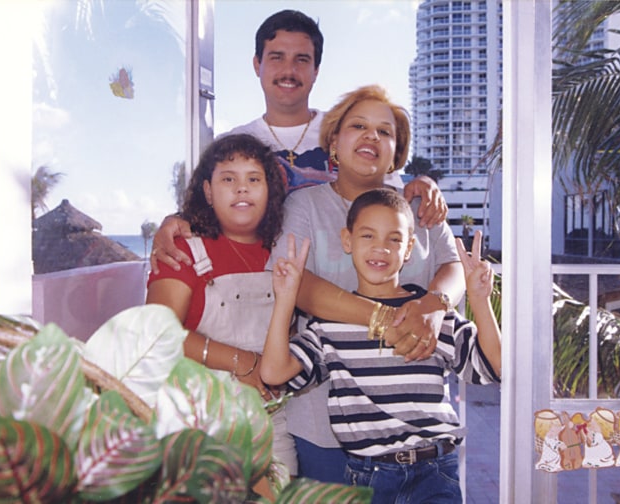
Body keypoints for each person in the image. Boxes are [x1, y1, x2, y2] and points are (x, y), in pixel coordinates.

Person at [264, 84, 467, 483]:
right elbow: (296, 285)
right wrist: (387, 319)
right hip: (327, 424)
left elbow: (453, 265)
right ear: (334, 142)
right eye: (358, 126)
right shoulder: (304, 206)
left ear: (397, 152)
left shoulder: (417, 206)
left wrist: (433, 305)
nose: (372, 136)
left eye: (385, 131)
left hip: (419, 430)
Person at [150, 9, 448, 274]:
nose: (288, 71)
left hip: (342, 286)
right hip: (260, 291)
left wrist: (422, 184)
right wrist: (173, 222)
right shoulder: (235, 145)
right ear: (257, 64)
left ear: (316, 70)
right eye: (276, 57)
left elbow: (388, 193)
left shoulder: (348, 131)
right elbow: (204, 211)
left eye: (301, 60)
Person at [261, 190, 501, 503]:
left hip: (435, 473)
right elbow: (274, 372)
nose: (380, 248)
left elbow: (494, 367)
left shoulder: (428, 316)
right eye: (368, 235)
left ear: (409, 248)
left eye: (394, 239)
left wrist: (480, 301)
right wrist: (285, 299)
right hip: (366, 478)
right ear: (347, 241)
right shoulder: (330, 324)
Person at [144, 133, 297, 477]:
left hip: (274, 426)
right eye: (229, 179)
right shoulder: (183, 250)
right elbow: (157, 333)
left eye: (253, 179)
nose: (242, 189)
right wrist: (243, 363)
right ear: (208, 191)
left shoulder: (284, 252)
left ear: (269, 190)